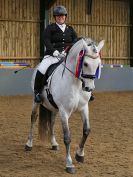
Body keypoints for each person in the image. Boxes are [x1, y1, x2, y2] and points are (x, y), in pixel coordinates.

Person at [34, 5, 78, 103]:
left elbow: (75, 40)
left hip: (67, 56)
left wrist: (69, 50)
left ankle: (87, 91)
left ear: (65, 17)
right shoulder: (50, 28)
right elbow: (46, 40)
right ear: (55, 17)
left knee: (80, 67)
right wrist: (54, 51)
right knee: (42, 68)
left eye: (62, 16)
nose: (60, 18)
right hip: (52, 56)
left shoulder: (70, 29)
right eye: (58, 16)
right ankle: (37, 92)